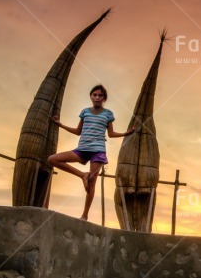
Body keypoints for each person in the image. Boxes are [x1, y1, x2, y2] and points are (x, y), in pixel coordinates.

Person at [48, 84, 135, 221]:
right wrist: (60, 124)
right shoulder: (85, 112)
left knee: (92, 182)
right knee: (52, 159)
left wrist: (126, 133)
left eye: (100, 95)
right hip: (82, 149)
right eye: (94, 95)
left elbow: (111, 134)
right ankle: (82, 175)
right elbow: (78, 131)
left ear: (104, 98)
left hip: (98, 151)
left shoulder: (108, 114)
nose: (97, 97)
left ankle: (85, 215)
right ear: (91, 96)